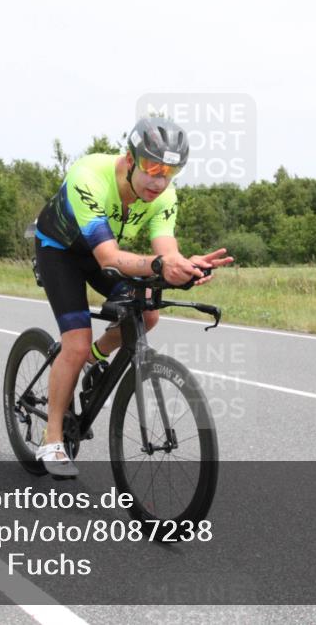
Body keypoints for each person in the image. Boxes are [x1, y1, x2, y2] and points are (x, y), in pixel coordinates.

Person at [32, 117, 234, 477]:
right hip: (60, 251)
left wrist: (182, 267)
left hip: (102, 252)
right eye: (153, 167)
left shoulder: (165, 196)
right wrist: (159, 264)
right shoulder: (89, 176)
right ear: (129, 158)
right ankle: (52, 438)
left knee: (148, 315)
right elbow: (110, 258)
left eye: (169, 172)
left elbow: (165, 251)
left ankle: (94, 360)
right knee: (74, 345)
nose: (159, 181)